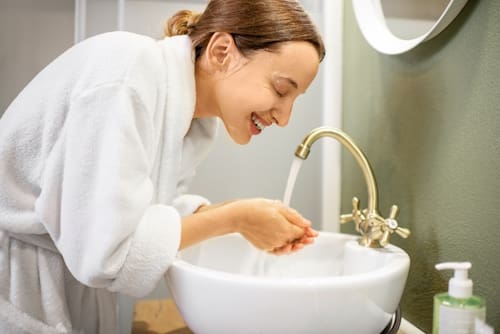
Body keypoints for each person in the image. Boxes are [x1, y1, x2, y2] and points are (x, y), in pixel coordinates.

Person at [0, 0, 325, 333]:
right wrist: (236, 217)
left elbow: (146, 213)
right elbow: (106, 252)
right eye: (281, 90)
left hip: (64, 288)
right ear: (222, 51)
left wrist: (242, 218)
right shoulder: (127, 75)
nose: (285, 118)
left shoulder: (192, 121)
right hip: (17, 280)